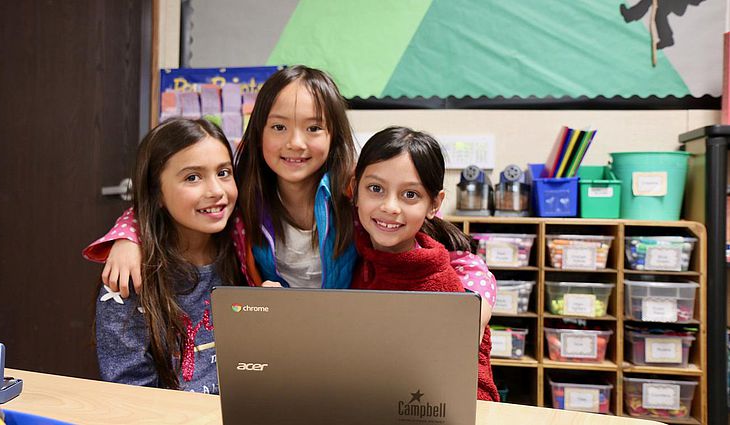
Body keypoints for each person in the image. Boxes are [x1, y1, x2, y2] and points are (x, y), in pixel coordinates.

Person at [84, 66, 496, 317]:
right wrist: (128, 235)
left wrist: (477, 298)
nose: (295, 143)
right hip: (278, 339)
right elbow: (171, 200)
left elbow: (456, 253)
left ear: (333, 136)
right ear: (258, 131)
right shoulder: (240, 193)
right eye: (279, 127)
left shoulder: (358, 194)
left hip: (347, 334)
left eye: (313, 128)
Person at [350, 126, 499, 401]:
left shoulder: (440, 280)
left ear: (434, 204)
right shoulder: (348, 241)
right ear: (354, 189)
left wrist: (475, 306)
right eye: (375, 188)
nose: (390, 207)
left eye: (410, 195)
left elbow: (470, 389)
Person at [95, 118, 241, 394]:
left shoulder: (245, 252)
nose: (216, 191)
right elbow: (129, 390)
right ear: (157, 193)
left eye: (224, 172)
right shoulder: (128, 278)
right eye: (192, 177)